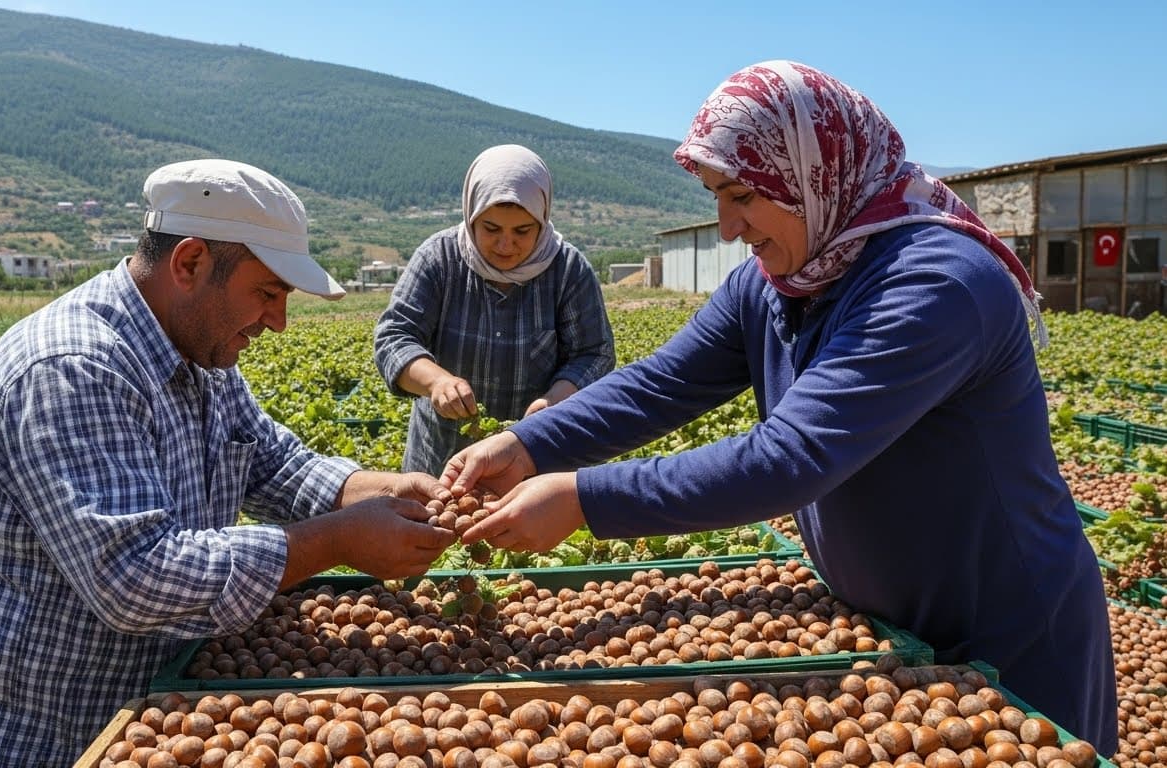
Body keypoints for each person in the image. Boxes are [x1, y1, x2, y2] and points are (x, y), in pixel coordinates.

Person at [444, 62, 1116, 753]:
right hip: (883, 632)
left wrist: (583, 498)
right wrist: (529, 444)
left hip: (1004, 628)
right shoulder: (779, 281)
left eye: (742, 196)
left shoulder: (936, 283)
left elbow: (791, 457)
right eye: (715, 196)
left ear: (813, 175)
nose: (729, 227)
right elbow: (659, 384)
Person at [0, 159, 456, 767]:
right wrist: (339, 542)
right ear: (189, 263)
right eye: (266, 293)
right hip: (26, 740)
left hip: (140, 720)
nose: (278, 320)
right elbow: (134, 576)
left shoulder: (201, 358)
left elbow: (273, 464)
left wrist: (381, 489)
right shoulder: (72, 366)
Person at [374, 143, 616, 475]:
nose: (506, 245)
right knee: (439, 522)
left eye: (522, 231)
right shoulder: (438, 260)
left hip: (537, 456)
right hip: (441, 459)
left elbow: (595, 352)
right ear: (471, 216)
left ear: (542, 220)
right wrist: (436, 382)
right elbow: (393, 337)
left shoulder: (567, 270)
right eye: (491, 229)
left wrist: (554, 402)